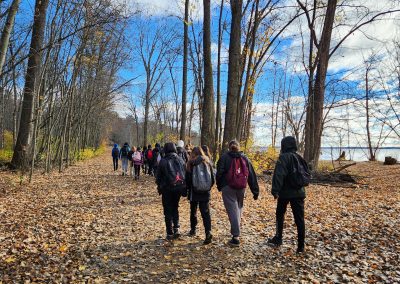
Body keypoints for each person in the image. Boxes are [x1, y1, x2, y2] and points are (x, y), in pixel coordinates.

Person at [216, 140, 259, 247]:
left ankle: (235, 237)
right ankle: (237, 231)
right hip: (241, 187)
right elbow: (251, 175)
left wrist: (219, 185)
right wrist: (255, 191)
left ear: (229, 147)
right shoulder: (244, 158)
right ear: (238, 147)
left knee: (232, 210)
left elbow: (219, 172)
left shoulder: (224, 157)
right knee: (238, 208)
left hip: (228, 186)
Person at [268, 136, 306, 254]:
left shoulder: (283, 157)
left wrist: (275, 190)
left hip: (285, 193)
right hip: (299, 192)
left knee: (280, 214)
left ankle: (278, 238)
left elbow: (279, 175)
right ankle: (301, 246)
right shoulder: (299, 157)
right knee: (299, 219)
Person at [156, 143, 186, 240]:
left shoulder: (163, 161)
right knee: (175, 207)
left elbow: (158, 177)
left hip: (166, 189)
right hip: (178, 187)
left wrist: (160, 186)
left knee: (167, 209)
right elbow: (184, 173)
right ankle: (176, 228)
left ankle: (169, 232)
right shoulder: (180, 159)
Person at [186, 147, 215, 244]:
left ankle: (193, 230)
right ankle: (208, 232)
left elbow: (188, 179)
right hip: (205, 192)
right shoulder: (207, 162)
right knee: (205, 213)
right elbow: (213, 179)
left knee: (193, 211)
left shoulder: (191, 163)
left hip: (194, 192)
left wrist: (188, 189)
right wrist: (207, 187)